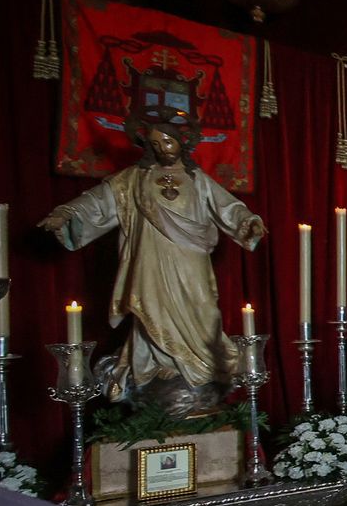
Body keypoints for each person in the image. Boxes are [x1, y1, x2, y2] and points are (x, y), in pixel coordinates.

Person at [39, 114, 265, 414]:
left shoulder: (198, 180)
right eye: (156, 143)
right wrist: (66, 215)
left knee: (203, 310)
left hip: (191, 261)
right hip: (150, 262)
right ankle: (160, 367)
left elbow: (229, 207)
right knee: (152, 311)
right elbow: (97, 202)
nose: (163, 148)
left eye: (168, 141)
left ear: (181, 143)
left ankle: (199, 367)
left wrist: (249, 223)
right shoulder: (133, 179)